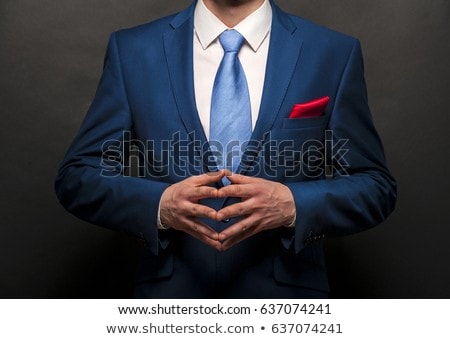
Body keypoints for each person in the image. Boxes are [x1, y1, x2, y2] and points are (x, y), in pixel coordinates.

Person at [55, 0, 396, 298]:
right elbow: (78, 177)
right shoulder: (131, 50)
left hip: (287, 304)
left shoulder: (333, 52)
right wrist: (159, 205)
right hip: (170, 305)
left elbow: (375, 186)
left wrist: (292, 205)